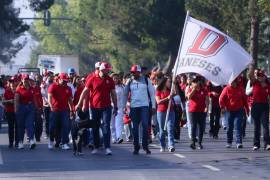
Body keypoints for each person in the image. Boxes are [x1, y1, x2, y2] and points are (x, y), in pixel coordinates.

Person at [76, 62, 118, 155]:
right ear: (102, 69)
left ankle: (107, 147)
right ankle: (96, 146)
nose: (108, 71)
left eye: (109, 69)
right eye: (107, 69)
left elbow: (113, 94)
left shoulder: (109, 80)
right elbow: (85, 92)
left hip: (106, 107)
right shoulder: (92, 78)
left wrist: (115, 106)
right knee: (95, 127)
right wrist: (79, 104)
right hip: (94, 107)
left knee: (106, 126)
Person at [123, 64, 156, 155]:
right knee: (135, 128)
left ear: (139, 72)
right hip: (134, 107)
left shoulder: (146, 80)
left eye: (135, 72)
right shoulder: (129, 81)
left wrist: (153, 106)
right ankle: (136, 147)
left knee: (145, 126)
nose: (133, 74)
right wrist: (123, 107)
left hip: (144, 107)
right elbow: (125, 95)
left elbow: (152, 94)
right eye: (132, 72)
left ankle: (145, 146)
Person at [219, 76, 249, 149]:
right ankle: (229, 142)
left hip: (239, 110)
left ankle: (239, 142)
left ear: (236, 82)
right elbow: (221, 99)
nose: (232, 83)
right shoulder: (226, 89)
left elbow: (245, 100)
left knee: (238, 126)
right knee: (230, 127)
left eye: (234, 82)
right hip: (229, 111)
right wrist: (222, 107)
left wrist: (247, 110)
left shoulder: (241, 89)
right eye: (231, 82)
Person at [48, 73, 74, 150]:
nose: (65, 82)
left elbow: (70, 100)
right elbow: (49, 97)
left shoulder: (68, 88)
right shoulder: (53, 86)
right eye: (63, 81)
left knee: (65, 126)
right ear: (59, 79)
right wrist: (51, 106)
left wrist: (72, 110)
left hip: (64, 110)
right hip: (55, 110)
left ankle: (64, 143)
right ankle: (51, 141)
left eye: (66, 81)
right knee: (53, 126)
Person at [248, 66, 270, 151]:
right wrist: (251, 66)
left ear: (265, 77)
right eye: (259, 76)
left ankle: (267, 144)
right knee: (256, 126)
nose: (260, 77)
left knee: (265, 125)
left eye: (262, 76)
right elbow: (250, 75)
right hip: (255, 106)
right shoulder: (255, 83)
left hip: (264, 106)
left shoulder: (268, 86)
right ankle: (256, 144)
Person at [14, 74, 37, 149]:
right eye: (24, 79)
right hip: (21, 107)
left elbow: (34, 99)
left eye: (27, 79)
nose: (26, 81)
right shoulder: (19, 89)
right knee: (21, 126)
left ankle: (31, 140)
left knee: (30, 124)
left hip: (30, 107)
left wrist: (36, 107)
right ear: (22, 80)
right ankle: (20, 142)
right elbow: (16, 100)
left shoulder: (31, 88)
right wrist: (16, 110)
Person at [187, 76, 208, 150]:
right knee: (193, 126)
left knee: (201, 127)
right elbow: (189, 97)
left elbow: (207, 99)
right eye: (194, 82)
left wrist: (207, 107)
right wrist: (194, 89)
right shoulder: (190, 89)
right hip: (192, 111)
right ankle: (193, 142)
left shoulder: (204, 90)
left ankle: (199, 142)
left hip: (202, 111)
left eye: (196, 82)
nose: (195, 83)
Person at [155, 76, 176, 152]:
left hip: (170, 111)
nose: (170, 83)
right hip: (161, 112)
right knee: (162, 130)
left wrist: (174, 83)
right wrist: (167, 98)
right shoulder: (158, 90)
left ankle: (171, 145)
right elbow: (158, 101)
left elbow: (175, 93)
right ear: (164, 82)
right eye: (169, 82)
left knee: (170, 128)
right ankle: (162, 145)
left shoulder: (170, 90)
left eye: (170, 82)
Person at [3, 77, 18, 148]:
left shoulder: (18, 91)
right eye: (11, 82)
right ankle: (11, 142)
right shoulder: (7, 91)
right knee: (11, 127)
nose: (12, 83)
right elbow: (3, 101)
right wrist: (9, 101)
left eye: (13, 82)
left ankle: (17, 142)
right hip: (9, 111)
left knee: (17, 127)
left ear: (16, 82)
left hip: (18, 111)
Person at [111, 73, 125, 144]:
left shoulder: (121, 87)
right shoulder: (109, 87)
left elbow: (123, 98)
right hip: (111, 107)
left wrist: (124, 107)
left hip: (119, 107)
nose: (115, 80)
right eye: (114, 78)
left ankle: (119, 137)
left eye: (116, 78)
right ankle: (114, 138)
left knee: (119, 122)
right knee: (112, 123)